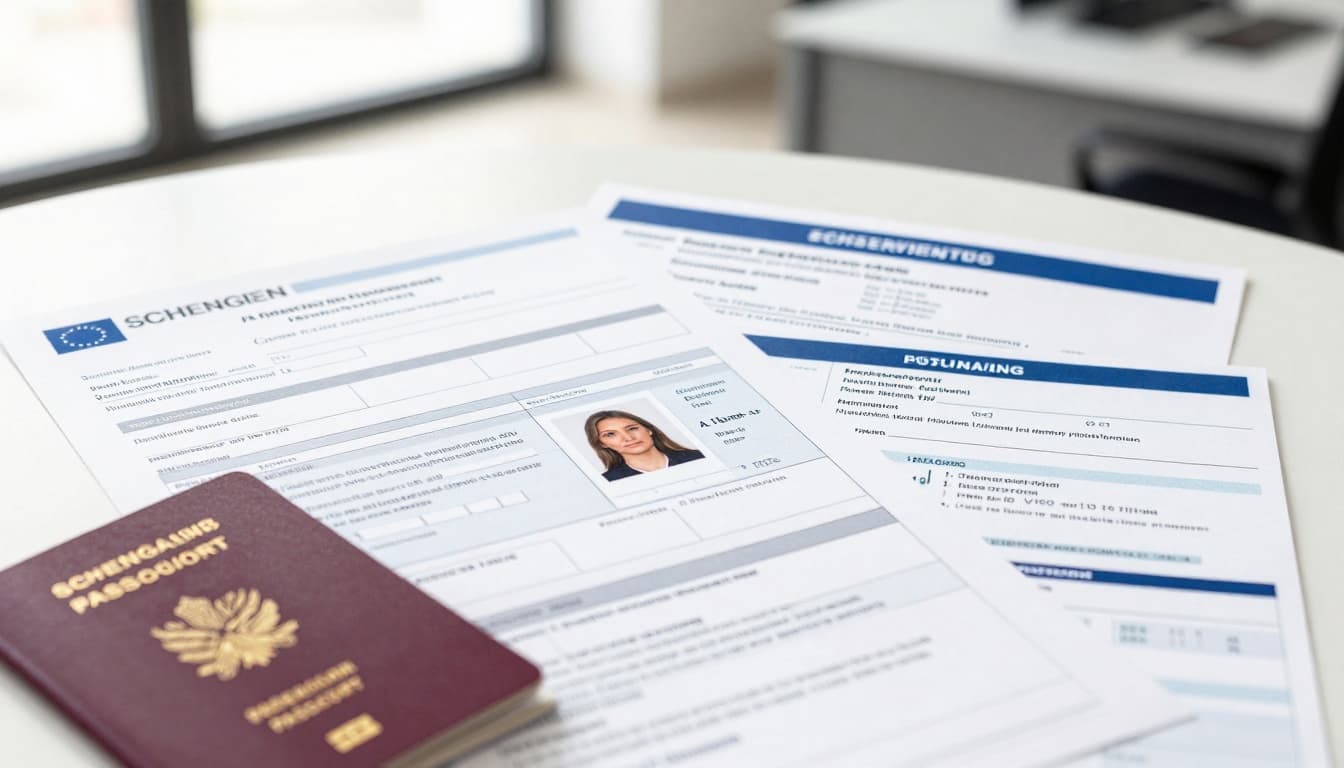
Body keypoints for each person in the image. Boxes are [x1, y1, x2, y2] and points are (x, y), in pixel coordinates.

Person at [584, 409, 704, 482]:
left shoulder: (699, 456)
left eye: (632, 428)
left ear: (648, 430)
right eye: (610, 434)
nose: (628, 438)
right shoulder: (608, 480)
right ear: (602, 444)